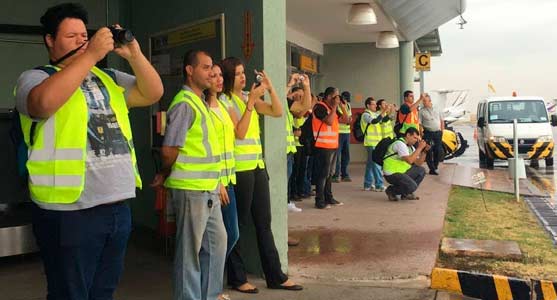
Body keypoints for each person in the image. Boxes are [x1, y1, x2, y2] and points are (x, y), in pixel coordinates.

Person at [15, 3, 163, 299]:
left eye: (85, 35)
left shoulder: (108, 78)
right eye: (72, 37)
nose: (82, 41)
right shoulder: (35, 78)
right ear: (49, 41)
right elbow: (42, 104)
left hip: (116, 205)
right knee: (69, 293)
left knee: (103, 292)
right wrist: (92, 54)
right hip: (69, 212)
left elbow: (153, 92)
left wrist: (134, 53)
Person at [220, 57, 303, 293]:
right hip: (240, 171)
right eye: (237, 74)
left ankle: (275, 276)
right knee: (237, 226)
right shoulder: (224, 101)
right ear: (228, 78)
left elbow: (278, 111)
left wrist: (270, 87)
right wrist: (251, 104)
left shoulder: (248, 96)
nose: (243, 77)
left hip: (257, 167)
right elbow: (241, 133)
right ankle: (237, 277)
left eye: (243, 72)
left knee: (264, 224)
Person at [152, 50, 227, 300]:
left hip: (209, 189)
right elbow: (169, 150)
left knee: (217, 245)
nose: (210, 73)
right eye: (205, 68)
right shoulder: (185, 104)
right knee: (189, 254)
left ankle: (209, 295)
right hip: (191, 188)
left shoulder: (201, 102)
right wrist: (165, 172)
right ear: (189, 70)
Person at [313, 87, 348, 209]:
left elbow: (346, 119)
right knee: (323, 174)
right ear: (328, 97)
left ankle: (329, 197)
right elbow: (328, 121)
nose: (337, 99)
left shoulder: (332, 108)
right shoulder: (320, 107)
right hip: (322, 146)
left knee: (329, 174)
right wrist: (334, 107)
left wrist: (342, 105)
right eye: (335, 96)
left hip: (332, 145)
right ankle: (319, 200)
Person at [383, 127, 429, 201]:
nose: (416, 141)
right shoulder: (400, 144)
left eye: (417, 139)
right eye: (414, 138)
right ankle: (391, 191)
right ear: (408, 135)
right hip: (391, 173)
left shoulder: (410, 147)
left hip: (402, 172)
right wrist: (419, 148)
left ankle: (405, 194)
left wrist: (424, 151)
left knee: (421, 171)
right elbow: (410, 161)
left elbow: (418, 163)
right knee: (412, 186)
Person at [361, 97, 385, 192]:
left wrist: (389, 111)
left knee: (370, 164)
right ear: (368, 105)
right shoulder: (366, 115)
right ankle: (379, 185)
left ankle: (367, 184)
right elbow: (374, 121)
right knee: (376, 164)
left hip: (376, 142)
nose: (375, 105)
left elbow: (384, 120)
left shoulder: (375, 114)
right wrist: (384, 111)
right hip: (370, 142)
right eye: (373, 104)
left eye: (375, 104)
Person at [419, 94, 444, 175]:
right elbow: (420, 123)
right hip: (428, 133)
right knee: (428, 150)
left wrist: (442, 131)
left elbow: (442, 120)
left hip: (438, 133)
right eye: (423, 101)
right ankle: (432, 169)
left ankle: (435, 166)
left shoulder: (437, 109)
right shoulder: (421, 111)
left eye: (425, 101)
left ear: (430, 101)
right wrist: (421, 134)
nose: (424, 103)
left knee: (438, 150)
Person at [332, 91, 352, 182]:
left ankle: (345, 174)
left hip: (346, 132)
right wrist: (347, 119)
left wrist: (347, 119)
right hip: (339, 132)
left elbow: (349, 118)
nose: (346, 100)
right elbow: (343, 119)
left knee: (346, 155)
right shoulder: (336, 106)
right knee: (337, 155)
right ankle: (336, 175)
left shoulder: (348, 105)